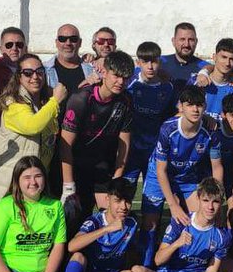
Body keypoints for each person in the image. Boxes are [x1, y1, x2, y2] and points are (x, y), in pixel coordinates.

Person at [59, 50, 135, 220]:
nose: (120, 82)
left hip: (103, 167)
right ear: (105, 72)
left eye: (125, 77)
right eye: (116, 76)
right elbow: (65, 145)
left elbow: (124, 144)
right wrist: (68, 186)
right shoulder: (81, 99)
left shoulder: (126, 101)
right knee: (72, 218)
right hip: (77, 166)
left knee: (111, 217)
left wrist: (117, 178)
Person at [0, 53, 68, 206]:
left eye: (39, 72)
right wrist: (55, 101)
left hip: (32, 182)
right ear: (18, 77)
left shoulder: (43, 103)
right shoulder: (13, 103)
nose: (35, 77)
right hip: (8, 184)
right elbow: (33, 126)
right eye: (28, 73)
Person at [141, 86, 223, 232]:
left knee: (202, 220)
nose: (195, 110)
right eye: (190, 105)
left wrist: (217, 199)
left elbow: (217, 167)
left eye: (199, 105)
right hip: (159, 175)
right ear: (181, 107)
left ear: (205, 106)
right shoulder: (168, 129)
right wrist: (173, 205)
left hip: (186, 178)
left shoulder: (211, 131)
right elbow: (161, 170)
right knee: (150, 226)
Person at [123, 41, 177, 188]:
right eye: (145, 61)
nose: (150, 66)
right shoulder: (128, 81)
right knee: (125, 191)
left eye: (154, 61)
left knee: (151, 197)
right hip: (131, 148)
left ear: (160, 62)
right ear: (138, 62)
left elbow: (175, 114)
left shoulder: (167, 87)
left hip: (153, 149)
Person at [199, 38, 233, 121]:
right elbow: (181, 111)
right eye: (224, 57)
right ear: (214, 57)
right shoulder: (199, 81)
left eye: (231, 59)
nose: (227, 63)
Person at [45, 24, 94, 90]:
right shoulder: (44, 71)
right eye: (62, 39)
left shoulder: (92, 69)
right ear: (56, 43)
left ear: (80, 42)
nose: (68, 43)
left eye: (73, 39)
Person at [161, 22, 208, 88]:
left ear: (196, 42)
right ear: (173, 41)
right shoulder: (159, 62)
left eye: (191, 40)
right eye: (182, 39)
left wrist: (205, 72)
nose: (186, 44)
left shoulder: (204, 67)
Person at [0, 26, 27, 92]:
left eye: (19, 45)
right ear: (1, 49)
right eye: (9, 45)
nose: (14, 48)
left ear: (25, 49)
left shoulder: (33, 69)